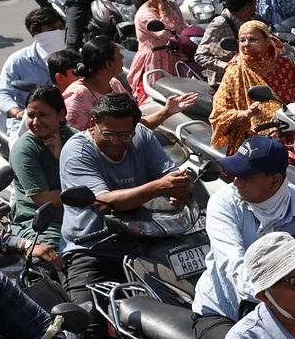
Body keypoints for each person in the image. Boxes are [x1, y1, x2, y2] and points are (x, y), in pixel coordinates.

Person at [193, 137, 295, 339]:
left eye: (247, 177)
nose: (237, 182)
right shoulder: (223, 204)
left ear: (275, 180)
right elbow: (234, 266)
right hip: (225, 314)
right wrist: (283, 298)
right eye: (235, 174)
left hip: (292, 315)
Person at [58, 93, 196, 316]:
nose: (117, 142)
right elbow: (104, 203)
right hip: (93, 248)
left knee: (185, 303)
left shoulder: (142, 135)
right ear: (93, 125)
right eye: (109, 134)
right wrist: (159, 187)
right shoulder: (77, 151)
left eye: (125, 135)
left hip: (145, 239)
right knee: (89, 327)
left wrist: (182, 187)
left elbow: (170, 174)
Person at [209, 21, 295, 154]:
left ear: (267, 40)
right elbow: (219, 114)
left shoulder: (285, 65)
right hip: (254, 145)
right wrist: (245, 114)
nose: (246, 44)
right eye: (242, 40)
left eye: (252, 39)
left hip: (293, 138)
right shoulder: (235, 71)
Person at [9, 86, 71, 246]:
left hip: (78, 214)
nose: (36, 122)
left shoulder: (74, 138)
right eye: (31, 115)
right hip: (41, 223)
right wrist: (91, 196)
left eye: (43, 115)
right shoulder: (24, 149)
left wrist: (61, 157)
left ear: (61, 114)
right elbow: (45, 199)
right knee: (55, 259)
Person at [0, 8, 67, 135]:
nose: (59, 33)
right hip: (30, 125)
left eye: (61, 28)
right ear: (36, 33)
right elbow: (3, 94)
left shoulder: (73, 56)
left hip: (67, 120)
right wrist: (18, 113)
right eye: (52, 30)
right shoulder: (18, 61)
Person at [127, 0, 189, 103]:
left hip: (175, 55)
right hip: (155, 61)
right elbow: (167, 35)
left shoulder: (172, 4)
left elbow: (183, 26)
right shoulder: (144, 15)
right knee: (159, 98)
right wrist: (162, 10)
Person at [196, 0, 259, 80]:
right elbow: (201, 56)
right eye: (255, 3)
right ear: (247, 7)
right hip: (224, 85)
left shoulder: (251, 22)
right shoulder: (219, 25)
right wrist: (229, 67)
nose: (256, 7)